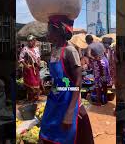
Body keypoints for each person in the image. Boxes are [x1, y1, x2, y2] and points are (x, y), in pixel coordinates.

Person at [39, 15, 94, 144]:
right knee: (48, 135)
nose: (47, 34)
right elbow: (57, 78)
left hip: (69, 103)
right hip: (55, 102)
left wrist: (70, 113)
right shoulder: (54, 50)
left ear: (59, 31)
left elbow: (78, 82)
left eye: (50, 30)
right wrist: (50, 85)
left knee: (70, 137)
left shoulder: (70, 51)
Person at [86, 35, 110, 105]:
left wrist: (94, 58)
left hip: (98, 64)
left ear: (87, 41)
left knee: (98, 83)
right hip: (105, 62)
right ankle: (105, 100)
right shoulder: (100, 44)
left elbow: (88, 55)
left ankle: (98, 101)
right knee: (104, 82)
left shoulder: (90, 46)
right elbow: (105, 53)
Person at [19, 35, 41, 102]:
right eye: (28, 41)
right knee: (31, 85)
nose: (30, 42)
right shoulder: (25, 49)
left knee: (37, 83)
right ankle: (30, 99)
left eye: (31, 41)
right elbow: (20, 58)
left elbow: (38, 57)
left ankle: (36, 98)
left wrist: (39, 63)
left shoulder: (36, 48)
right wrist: (26, 66)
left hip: (36, 69)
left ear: (34, 41)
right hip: (29, 70)